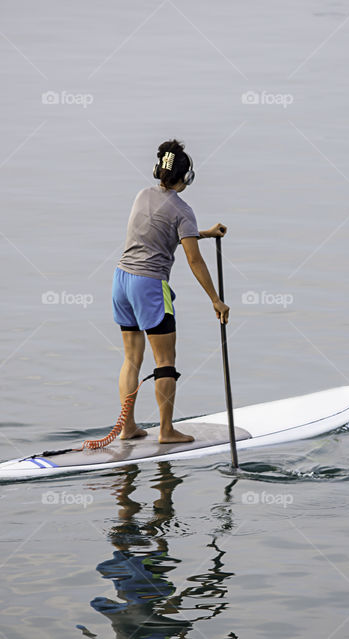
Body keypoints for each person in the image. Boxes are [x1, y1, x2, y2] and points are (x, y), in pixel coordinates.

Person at [111, 139, 229, 444]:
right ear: (186, 177)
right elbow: (193, 259)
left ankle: (128, 427)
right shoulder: (183, 210)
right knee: (165, 360)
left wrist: (204, 233)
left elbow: (165, 232)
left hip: (122, 280)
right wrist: (216, 300)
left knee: (131, 359)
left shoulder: (143, 195)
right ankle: (166, 431)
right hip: (149, 286)